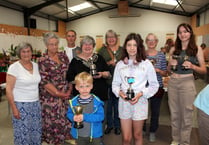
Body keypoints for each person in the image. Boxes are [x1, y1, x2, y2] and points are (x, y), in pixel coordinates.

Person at [112, 33, 159, 145]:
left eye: (135, 45)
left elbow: (154, 85)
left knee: (137, 136)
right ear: (125, 47)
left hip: (140, 102)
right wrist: (120, 93)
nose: (132, 48)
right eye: (129, 45)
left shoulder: (147, 64)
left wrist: (141, 94)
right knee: (126, 138)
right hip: (124, 103)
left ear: (139, 47)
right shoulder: (120, 64)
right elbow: (115, 84)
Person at [167, 23, 206, 145]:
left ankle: (184, 142)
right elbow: (168, 70)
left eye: (186, 31)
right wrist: (170, 64)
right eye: (180, 32)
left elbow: (204, 70)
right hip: (173, 82)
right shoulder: (174, 49)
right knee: (174, 114)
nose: (183, 34)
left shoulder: (197, 49)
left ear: (190, 33)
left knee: (186, 115)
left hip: (187, 83)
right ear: (178, 34)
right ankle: (176, 139)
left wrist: (193, 66)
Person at [38, 32, 72, 145]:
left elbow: (70, 74)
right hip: (51, 99)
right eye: (51, 44)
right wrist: (59, 93)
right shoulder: (42, 60)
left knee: (66, 122)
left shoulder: (63, 56)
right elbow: (45, 81)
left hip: (65, 96)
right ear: (46, 45)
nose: (54, 47)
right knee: (53, 126)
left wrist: (69, 90)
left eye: (56, 44)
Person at [6, 42, 42, 145]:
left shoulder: (35, 65)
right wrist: (14, 108)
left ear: (32, 52)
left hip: (35, 104)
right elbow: (8, 89)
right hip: (21, 105)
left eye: (28, 51)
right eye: (23, 51)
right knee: (23, 134)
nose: (26, 54)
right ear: (19, 53)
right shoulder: (14, 67)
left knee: (35, 132)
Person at [66, 35, 111, 102]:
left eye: (90, 44)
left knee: (99, 112)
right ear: (81, 46)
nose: (87, 46)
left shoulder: (99, 58)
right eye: (85, 44)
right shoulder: (75, 61)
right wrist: (82, 81)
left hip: (99, 96)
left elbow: (109, 74)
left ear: (93, 46)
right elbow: (69, 78)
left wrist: (102, 74)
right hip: (81, 97)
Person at [67, 72, 104, 145]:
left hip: (94, 136)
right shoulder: (73, 102)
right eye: (81, 86)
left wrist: (84, 117)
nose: (84, 89)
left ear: (91, 86)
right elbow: (69, 113)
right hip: (79, 135)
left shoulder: (97, 101)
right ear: (76, 87)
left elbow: (101, 117)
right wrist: (73, 117)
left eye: (87, 86)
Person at [98, 29, 122, 135]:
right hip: (106, 83)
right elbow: (98, 65)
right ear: (106, 39)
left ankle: (117, 126)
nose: (111, 39)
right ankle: (109, 125)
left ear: (116, 38)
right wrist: (109, 63)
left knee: (118, 106)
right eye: (109, 37)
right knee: (107, 106)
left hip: (120, 83)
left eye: (113, 37)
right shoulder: (102, 51)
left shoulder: (123, 50)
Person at [144, 33, 167, 142]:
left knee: (155, 111)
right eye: (149, 40)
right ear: (146, 42)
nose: (151, 42)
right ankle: (142, 128)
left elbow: (165, 73)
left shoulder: (161, 55)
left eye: (153, 40)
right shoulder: (142, 54)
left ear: (157, 42)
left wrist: (158, 71)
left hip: (157, 87)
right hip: (143, 87)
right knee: (142, 110)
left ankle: (152, 131)